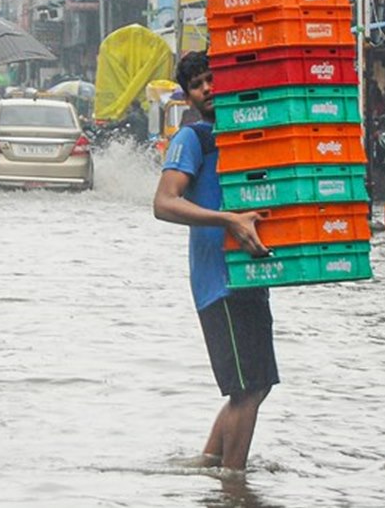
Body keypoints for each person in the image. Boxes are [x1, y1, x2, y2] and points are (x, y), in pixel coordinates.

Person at [152, 51, 274, 472]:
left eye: (212, 79)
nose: (209, 89)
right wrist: (228, 221)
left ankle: (209, 465)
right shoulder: (194, 139)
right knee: (247, 389)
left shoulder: (243, 136)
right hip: (218, 282)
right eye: (199, 85)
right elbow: (163, 203)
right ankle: (233, 486)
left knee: (258, 387)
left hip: (250, 276)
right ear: (188, 97)